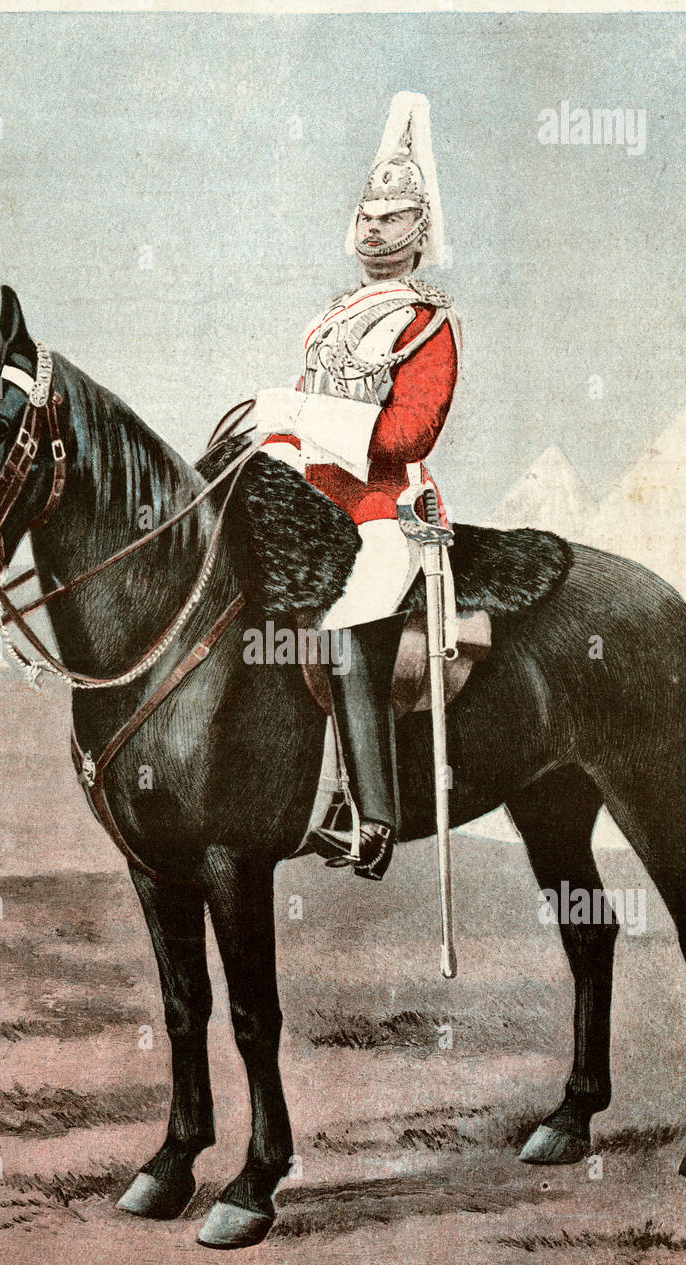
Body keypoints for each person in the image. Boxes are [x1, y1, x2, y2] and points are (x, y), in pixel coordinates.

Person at [254, 92, 461, 881]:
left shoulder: (425, 322)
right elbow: (297, 424)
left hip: (383, 506)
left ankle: (371, 819)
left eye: (392, 218)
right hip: (311, 499)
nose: (373, 229)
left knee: (344, 637)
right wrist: (268, 441)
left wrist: (299, 409)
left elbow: (408, 436)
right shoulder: (330, 320)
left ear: (419, 231)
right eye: (366, 216)